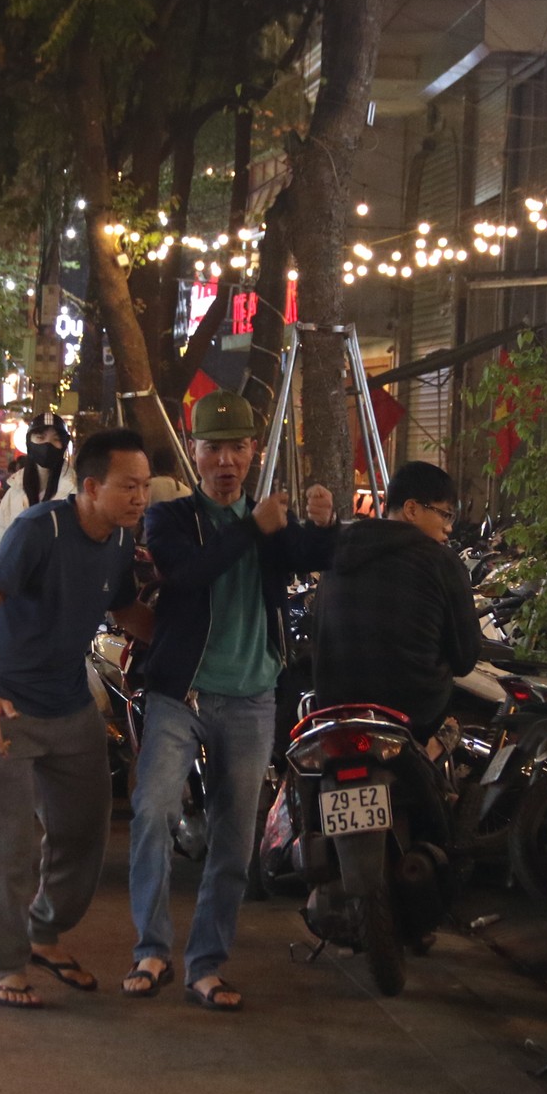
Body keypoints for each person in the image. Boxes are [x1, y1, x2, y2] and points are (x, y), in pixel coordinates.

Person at [126, 392, 336, 1011]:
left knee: (234, 838)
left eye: (236, 447)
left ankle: (206, 964)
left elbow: (314, 556)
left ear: (254, 453)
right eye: (213, 448)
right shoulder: (171, 518)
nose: (225, 460)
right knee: (153, 814)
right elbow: (186, 575)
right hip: (179, 694)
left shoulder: (271, 520)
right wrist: (253, 525)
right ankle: (150, 950)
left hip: (251, 699)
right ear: (194, 454)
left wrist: (324, 523)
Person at [0, 428, 154, 1009]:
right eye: (129, 486)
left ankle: (44, 932)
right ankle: (10, 965)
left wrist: (194, 635)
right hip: (7, 707)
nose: (141, 497)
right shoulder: (39, 530)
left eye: (145, 486)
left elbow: (123, 609)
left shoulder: (119, 541)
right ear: (91, 487)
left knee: (84, 835)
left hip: (70, 706)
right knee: (5, 845)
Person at [313, 461, 482, 737]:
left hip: (334, 711)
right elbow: (465, 658)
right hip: (413, 715)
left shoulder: (338, 550)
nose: (449, 528)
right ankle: (435, 751)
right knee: (453, 727)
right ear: (412, 509)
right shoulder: (440, 561)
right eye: (445, 515)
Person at [0, 412, 77, 543]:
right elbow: (2, 546)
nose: (48, 445)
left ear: (64, 445)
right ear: (29, 442)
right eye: (40, 437)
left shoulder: (75, 493)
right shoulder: (13, 493)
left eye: (56, 439)